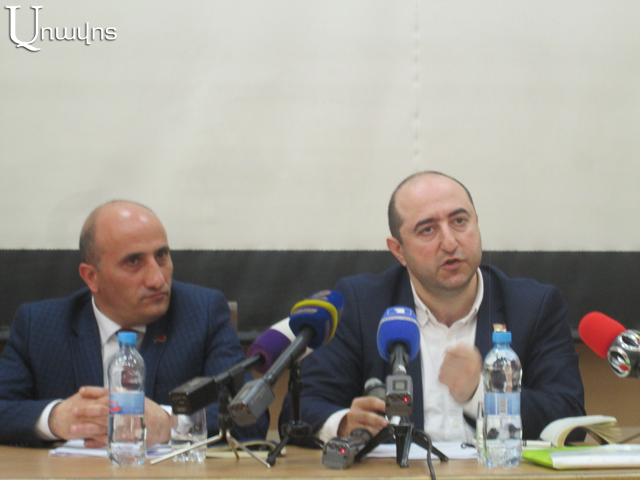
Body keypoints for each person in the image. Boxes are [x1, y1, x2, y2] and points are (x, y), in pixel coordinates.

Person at [285, 171, 585, 444]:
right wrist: (344, 424)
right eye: (428, 230)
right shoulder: (362, 304)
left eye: (460, 221)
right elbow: (300, 409)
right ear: (399, 250)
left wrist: (480, 395)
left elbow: (570, 419)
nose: (450, 242)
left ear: (476, 223)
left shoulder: (534, 306)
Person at [0, 200, 269, 447]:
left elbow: (252, 416)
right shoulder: (40, 325)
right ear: (91, 277)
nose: (157, 279)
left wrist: (170, 424)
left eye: (162, 256)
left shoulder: (203, 313)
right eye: (133, 261)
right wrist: (54, 418)